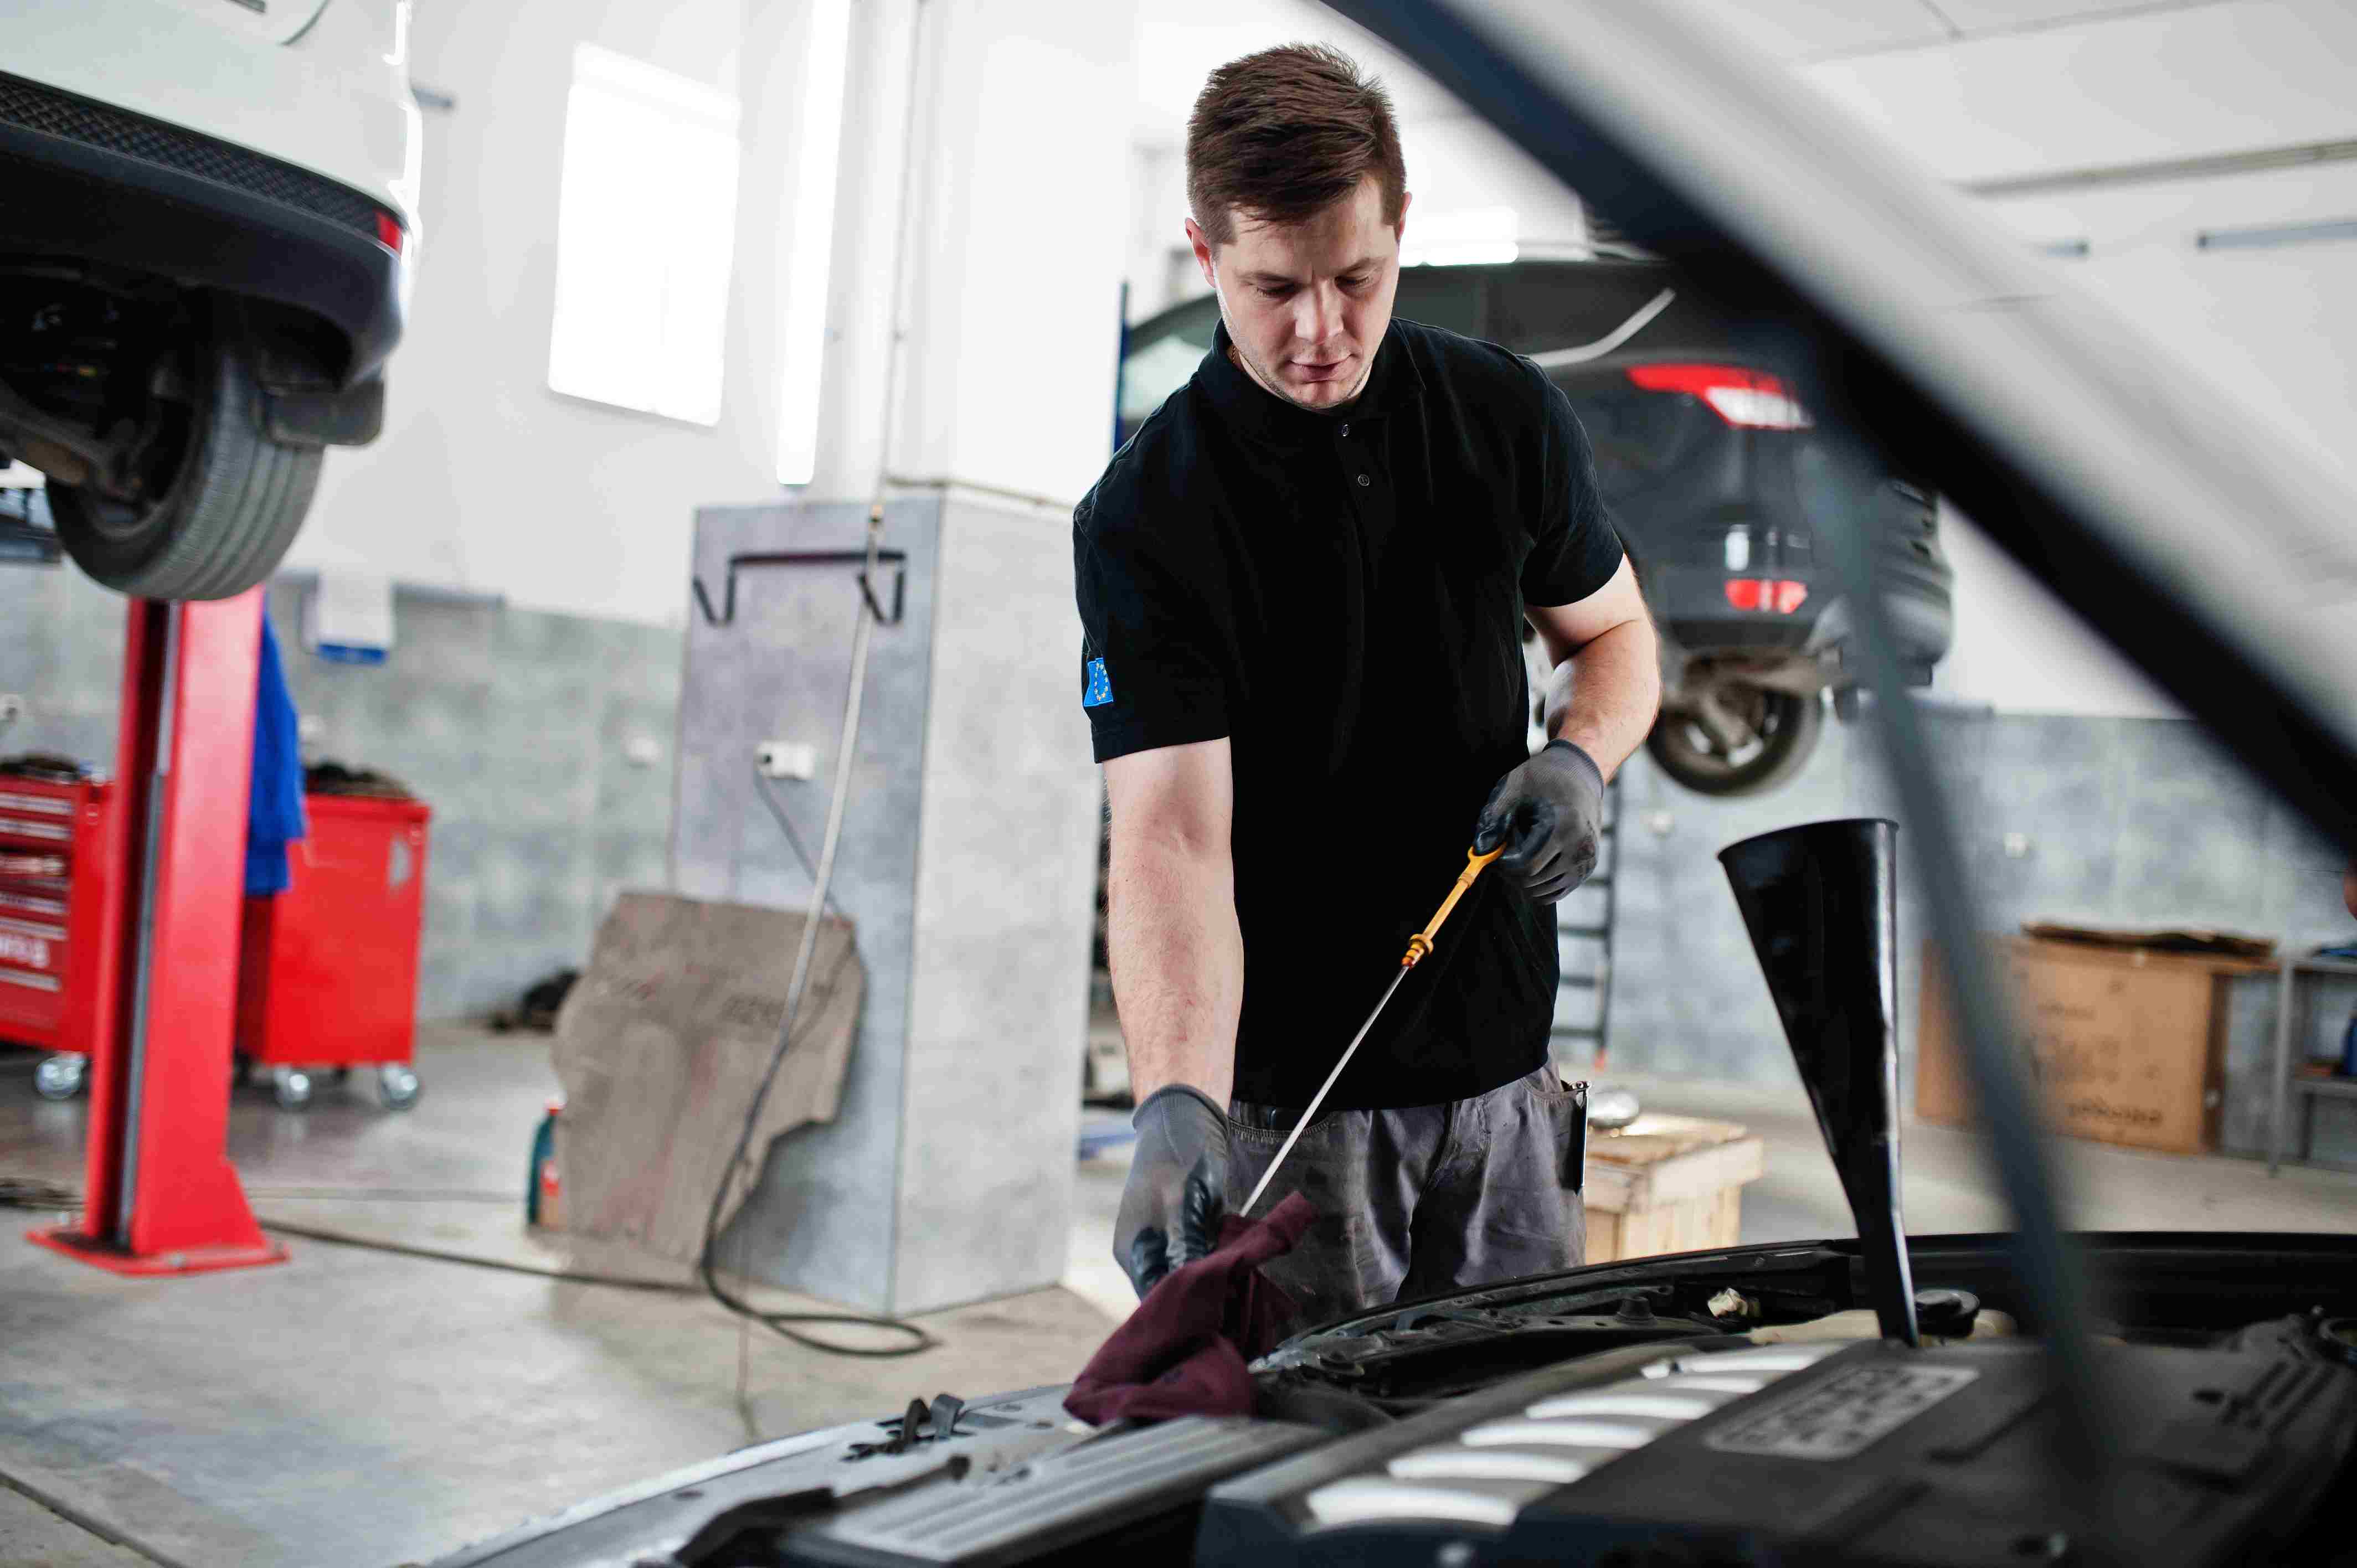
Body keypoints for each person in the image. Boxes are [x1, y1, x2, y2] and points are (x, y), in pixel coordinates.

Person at [1074, 44, 1660, 1324]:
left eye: (1358, 277)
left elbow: (1614, 636)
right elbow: (1171, 833)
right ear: (1203, 252)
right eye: (1272, 287)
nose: (1321, 332)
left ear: (1402, 228)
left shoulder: (1502, 417)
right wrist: (1177, 1097)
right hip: (1303, 1125)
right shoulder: (1147, 516)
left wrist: (1581, 757)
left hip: (1512, 1097)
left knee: (1505, 1460)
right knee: (1315, 1484)